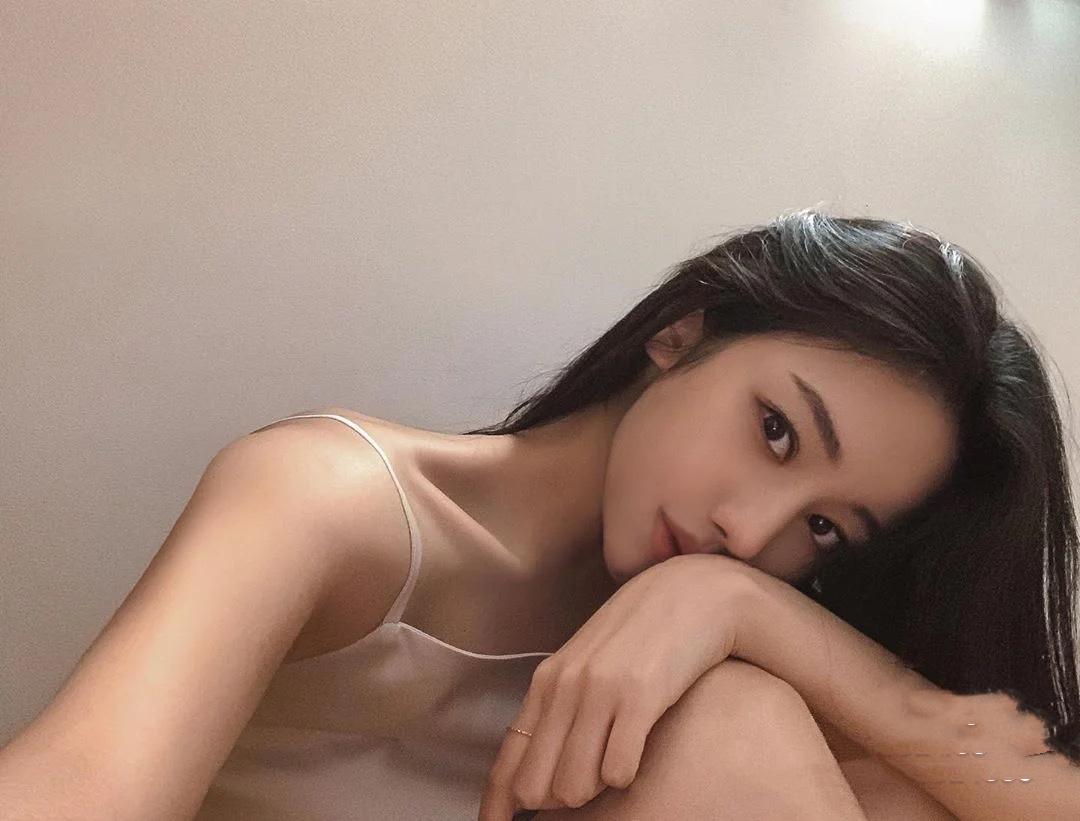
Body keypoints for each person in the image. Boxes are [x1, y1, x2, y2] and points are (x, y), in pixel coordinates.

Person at [1, 208, 1076, 819]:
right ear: (684, 332)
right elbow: (78, 790)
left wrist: (747, 610)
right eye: (777, 431)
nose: (754, 535)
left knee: (842, 762)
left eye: (827, 529)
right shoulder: (335, 498)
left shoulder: (718, 648)